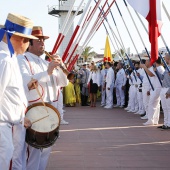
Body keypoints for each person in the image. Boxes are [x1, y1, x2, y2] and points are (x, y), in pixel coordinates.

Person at [17, 26, 68, 170]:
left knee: (46, 150)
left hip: (50, 110)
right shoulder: (23, 59)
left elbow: (63, 83)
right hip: (34, 111)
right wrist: (49, 71)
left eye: (43, 40)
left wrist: (61, 67)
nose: (42, 43)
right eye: (38, 41)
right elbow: (26, 81)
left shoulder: (46, 62)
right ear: (30, 43)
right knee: (32, 152)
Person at [0, 13, 37, 170]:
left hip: (11, 124)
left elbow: (11, 95)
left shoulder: (10, 57)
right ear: (21, 39)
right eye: (28, 40)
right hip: (3, 127)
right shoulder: (5, 60)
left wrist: (21, 118)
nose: (28, 45)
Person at [141, 57, 165, 125]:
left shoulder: (159, 68)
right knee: (156, 105)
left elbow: (151, 75)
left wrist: (145, 67)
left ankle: (150, 120)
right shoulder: (158, 68)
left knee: (151, 104)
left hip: (157, 88)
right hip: (154, 88)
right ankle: (155, 120)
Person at [156, 53, 170, 129]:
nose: (164, 59)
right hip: (163, 88)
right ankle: (166, 123)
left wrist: (169, 92)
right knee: (164, 107)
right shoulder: (167, 67)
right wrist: (156, 72)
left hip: (168, 89)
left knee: (169, 107)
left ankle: (169, 123)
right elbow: (162, 77)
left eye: (165, 58)